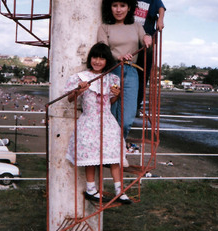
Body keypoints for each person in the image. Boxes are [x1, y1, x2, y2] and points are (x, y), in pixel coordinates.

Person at [65, 42, 132, 204]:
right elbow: (70, 99)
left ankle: (119, 190)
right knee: (91, 157)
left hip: (107, 122)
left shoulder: (112, 78)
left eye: (102, 58)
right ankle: (91, 189)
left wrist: (117, 94)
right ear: (90, 59)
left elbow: (111, 100)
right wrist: (78, 91)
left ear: (107, 61)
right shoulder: (81, 77)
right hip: (89, 122)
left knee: (115, 156)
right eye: (95, 57)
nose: (98, 61)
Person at [97, 0, 152, 139]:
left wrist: (147, 36)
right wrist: (118, 56)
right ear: (109, 8)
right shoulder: (104, 27)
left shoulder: (137, 26)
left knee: (126, 120)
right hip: (112, 71)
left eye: (122, 6)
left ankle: (118, 149)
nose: (118, 10)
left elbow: (144, 38)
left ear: (129, 8)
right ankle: (114, 154)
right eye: (114, 5)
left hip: (132, 72)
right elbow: (103, 49)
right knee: (111, 117)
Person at [135, 0, 166, 112]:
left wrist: (160, 20)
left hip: (146, 44)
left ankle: (137, 105)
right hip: (131, 41)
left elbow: (161, 8)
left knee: (143, 76)